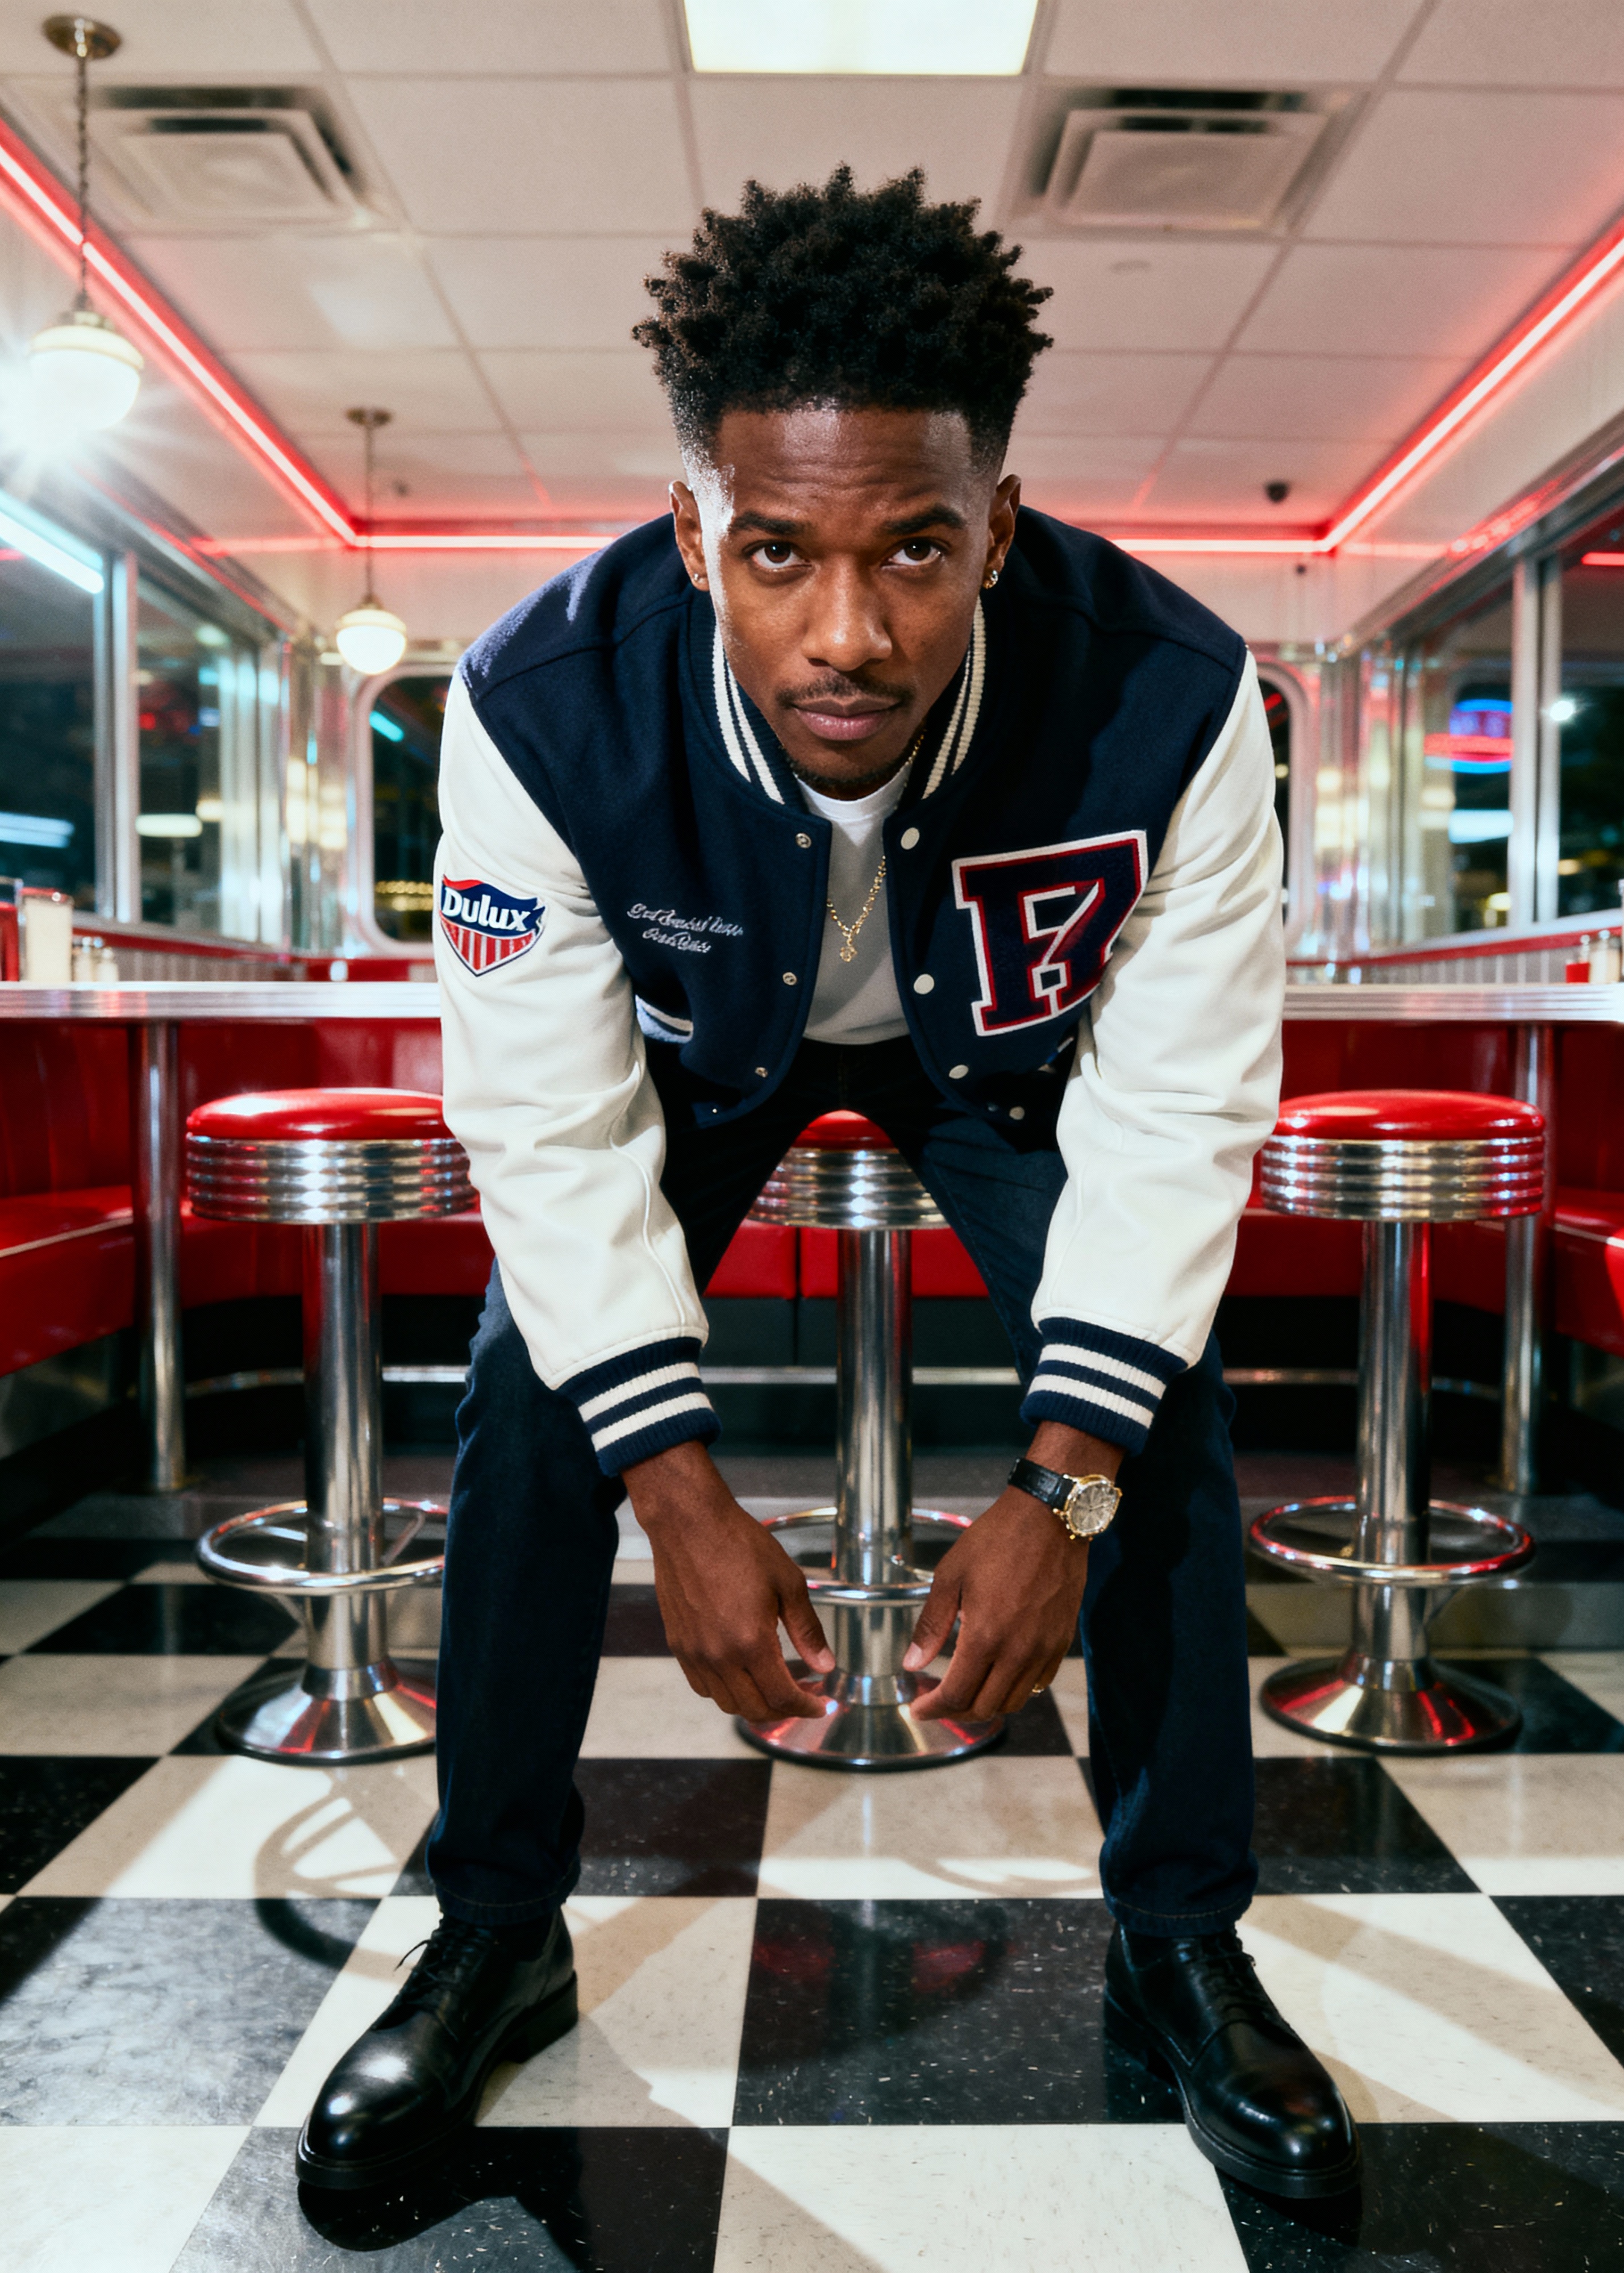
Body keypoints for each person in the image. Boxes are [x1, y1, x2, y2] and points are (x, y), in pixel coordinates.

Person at [297, 167, 1358, 2203]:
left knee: (1162, 1400)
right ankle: (495, 1924)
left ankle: (1180, 1940)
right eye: (776, 551)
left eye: (918, 551)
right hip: (707, 1053)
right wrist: (677, 1496)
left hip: (998, 1065)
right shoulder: (537, 709)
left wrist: (1060, 1486)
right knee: (530, 1390)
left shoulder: (1175, 696)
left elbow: (1177, 1116)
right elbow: (548, 1130)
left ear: (1000, 532)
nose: (848, 633)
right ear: (696, 532)